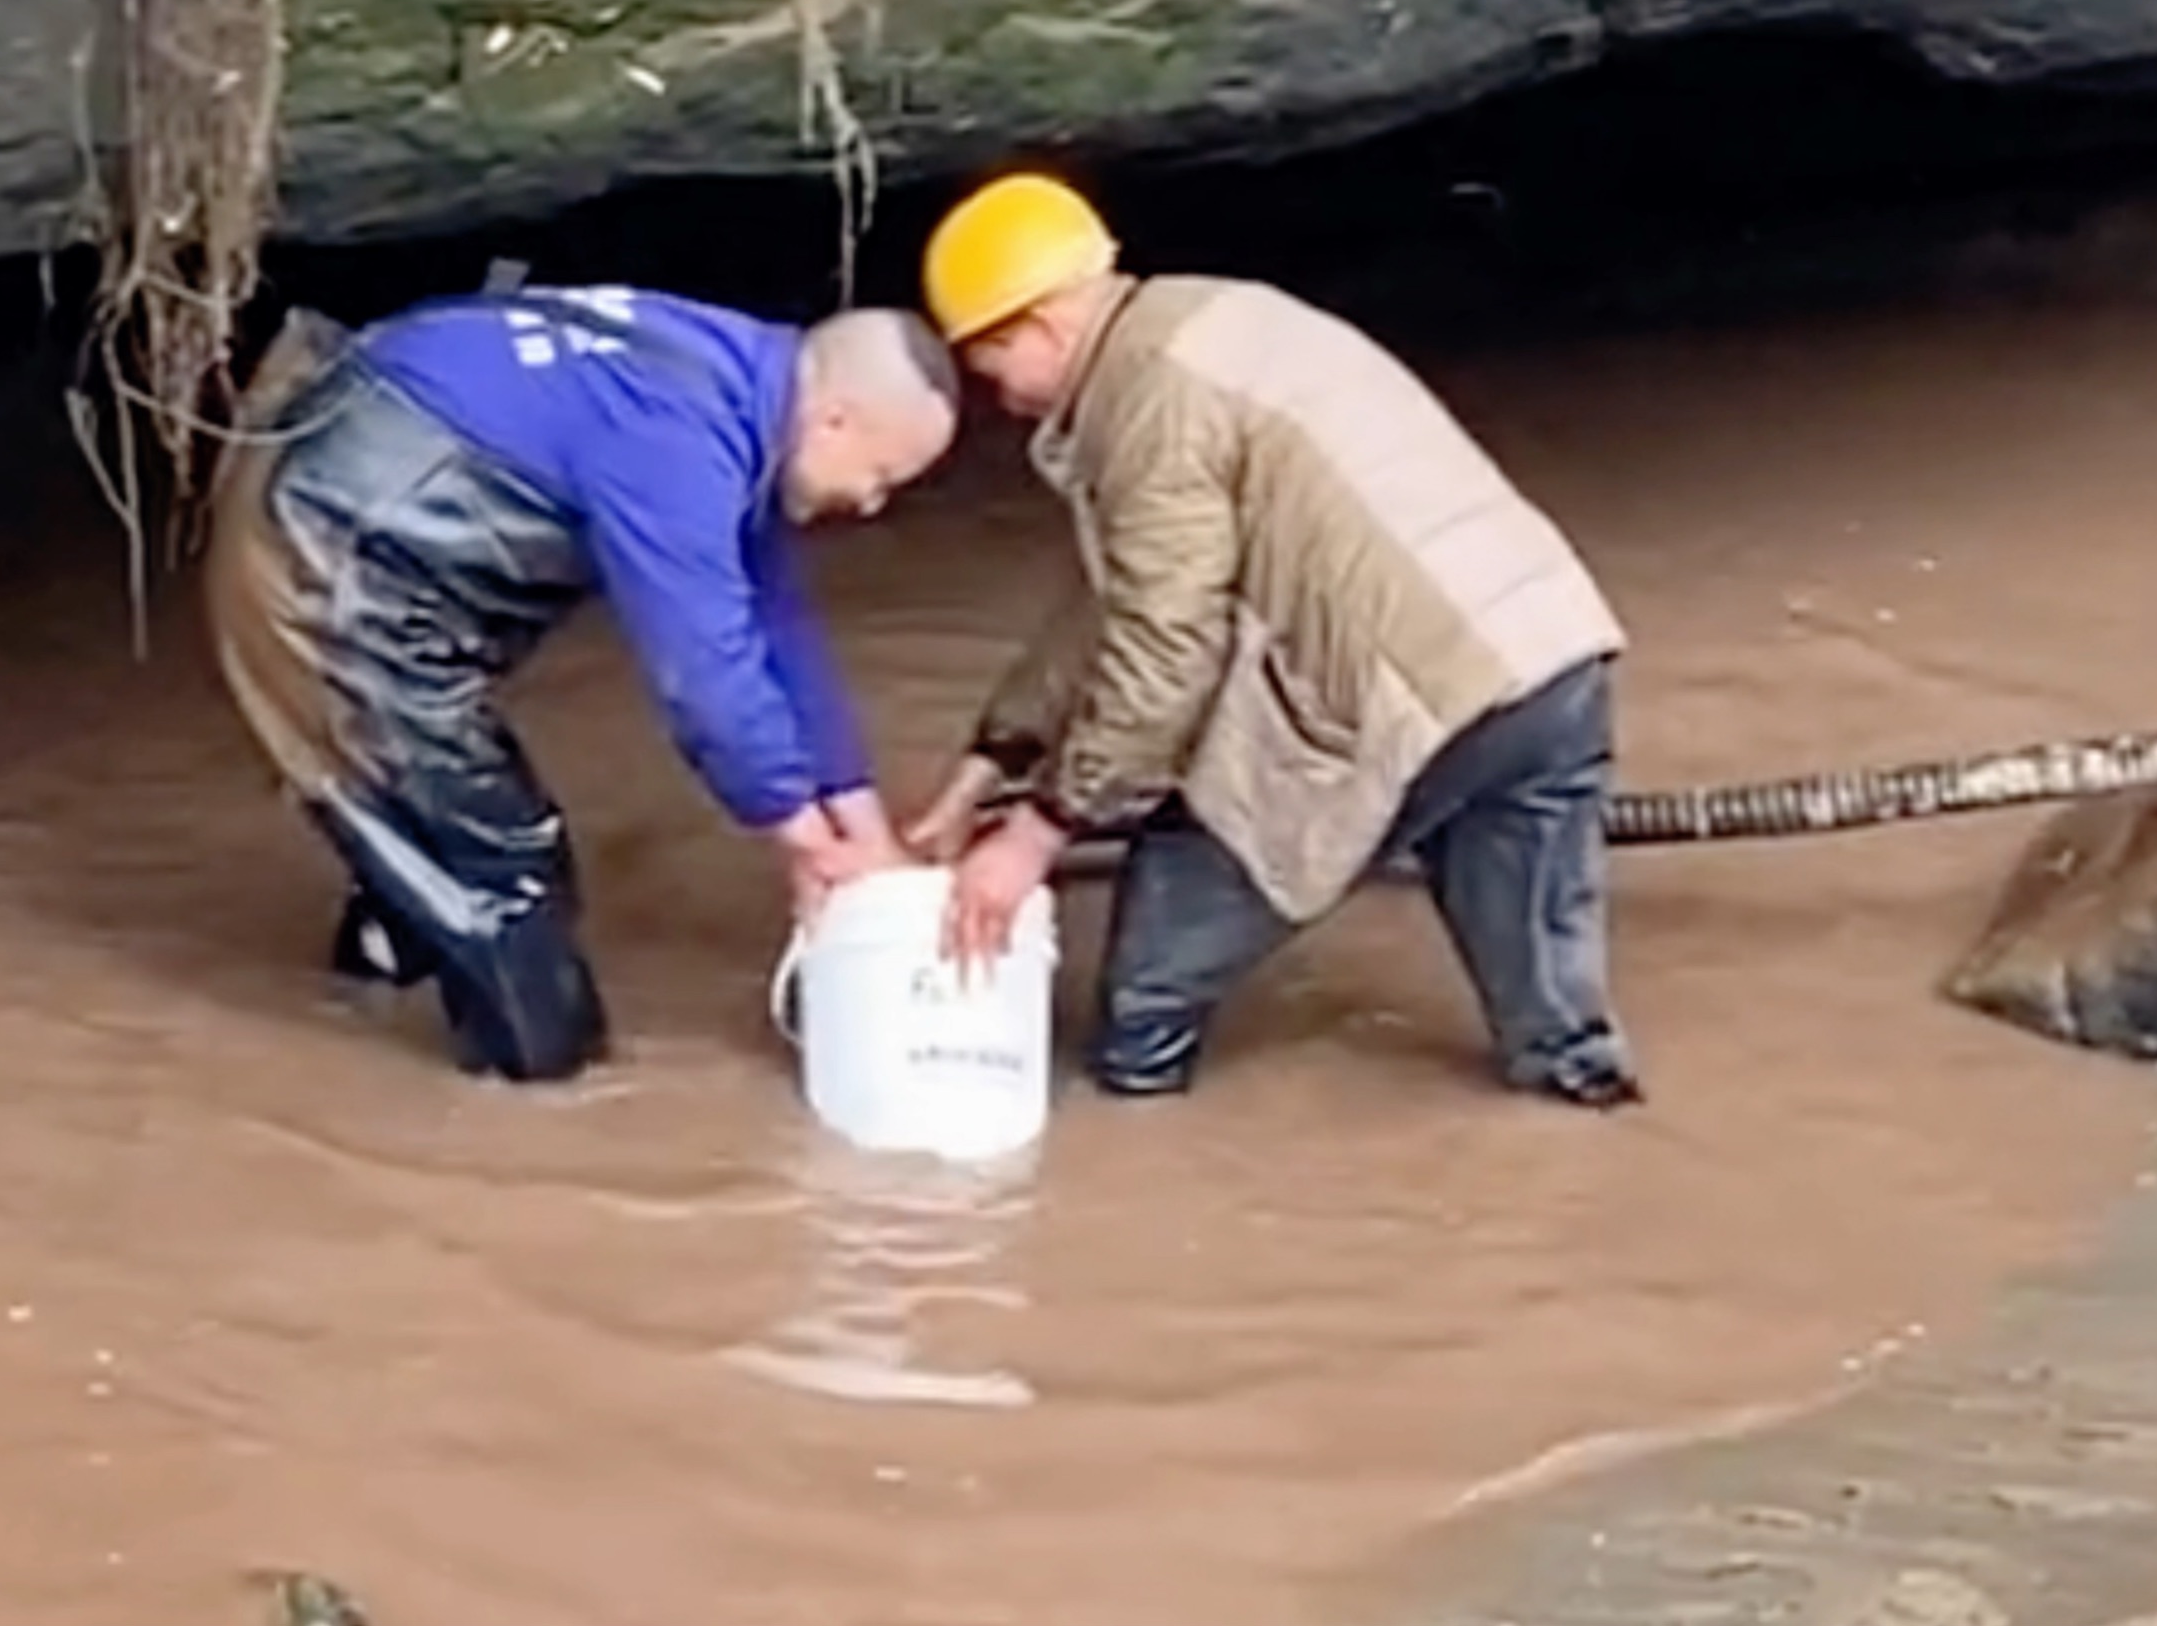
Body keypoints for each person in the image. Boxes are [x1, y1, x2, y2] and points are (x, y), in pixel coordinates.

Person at [900, 172, 1645, 1110]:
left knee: (1153, 974)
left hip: (1414, 698)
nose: (999, 403)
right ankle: (1583, 1110)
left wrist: (1039, 831)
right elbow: (1118, 599)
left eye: (988, 368)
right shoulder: (1212, 319)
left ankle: (1136, 1131)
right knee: (1554, 1023)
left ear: (1037, 328)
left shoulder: (1148, 406)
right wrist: (991, 762)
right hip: (1549, 654)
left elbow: (1165, 645)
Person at [202, 280, 963, 1085]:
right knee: (513, 875)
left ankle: (368, 992)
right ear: (834, 419)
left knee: (444, 822)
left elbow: (778, 629)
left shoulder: (734, 377)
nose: (873, 504)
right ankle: (531, 1094)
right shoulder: (678, 439)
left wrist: (867, 836)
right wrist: (805, 841)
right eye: (881, 474)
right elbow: (703, 676)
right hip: (327, 559)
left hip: (353, 497)